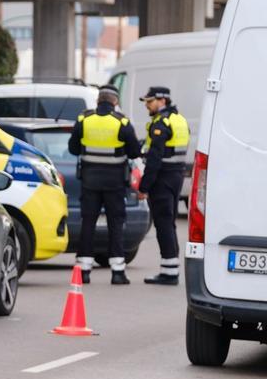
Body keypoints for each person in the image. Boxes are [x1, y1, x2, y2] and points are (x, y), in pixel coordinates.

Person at [68, 83, 141, 284]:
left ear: (98, 100)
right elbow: (135, 152)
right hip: (115, 183)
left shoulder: (84, 120)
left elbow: (73, 149)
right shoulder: (122, 123)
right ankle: (117, 272)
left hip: (90, 182)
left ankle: (84, 271)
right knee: (115, 224)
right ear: (115, 101)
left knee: (88, 223)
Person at [138, 86, 190, 285]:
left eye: (149, 102)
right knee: (169, 222)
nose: (147, 106)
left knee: (163, 224)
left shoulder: (161, 123)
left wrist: (144, 187)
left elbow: (155, 159)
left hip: (162, 178)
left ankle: (169, 272)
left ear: (162, 101)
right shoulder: (180, 120)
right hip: (176, 176)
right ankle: (171, 268)